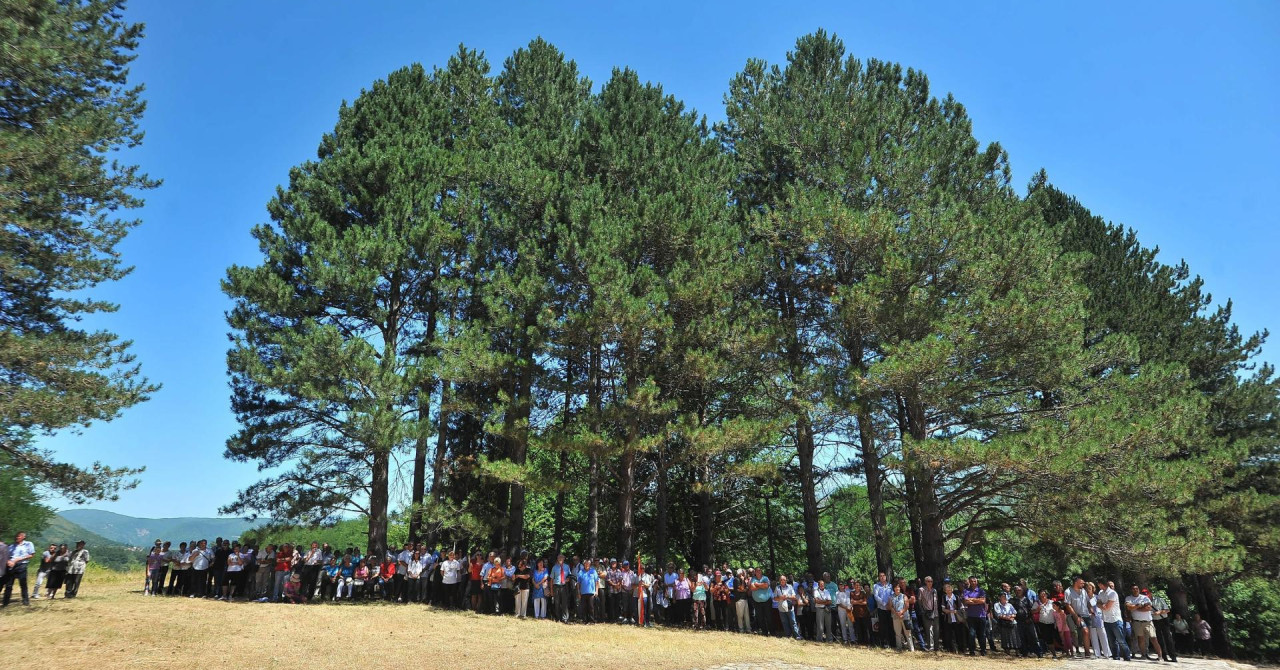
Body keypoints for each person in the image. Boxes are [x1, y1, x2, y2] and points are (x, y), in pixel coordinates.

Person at [1126, 586, 1164, 661]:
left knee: (1153, 638)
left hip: (1148, 621)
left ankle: (1160, 656)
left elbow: (1148, 608)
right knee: (1141, 639)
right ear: (1131, 590)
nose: (1135, 590)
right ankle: (1143, 655)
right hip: (1137, 622)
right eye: (1133, 589)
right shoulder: (1129, 598)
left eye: (1137, 589)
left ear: (1139, 590)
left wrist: (1135, 608)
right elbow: (1128, 607)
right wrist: (1139, 606)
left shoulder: (1145, 598)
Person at [1097, 580, 1131, 661]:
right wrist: (1102, 605)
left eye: (1099, 584)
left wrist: (1102, 605)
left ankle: (1127, 656)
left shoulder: (1112, 593)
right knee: (1112, 641)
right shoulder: (1100, 593)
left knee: (1121, 640)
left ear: (1101, 584)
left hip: (1115, 620)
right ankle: (1116, 657)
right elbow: (1098, 604)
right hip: (1106, 619)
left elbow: (1107, 607)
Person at [962, 575, 988, 656]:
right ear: (969, 582)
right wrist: (977, 600)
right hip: (971, 616)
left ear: (977, 582)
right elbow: (966, 601)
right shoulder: (966, 591)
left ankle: (983, 650)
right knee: (971, 634)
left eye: (975, 581)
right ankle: (972, 651)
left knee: (982, 634)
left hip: (981, 615)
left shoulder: (981, 591)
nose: (973, 583)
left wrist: (972, 600)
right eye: (972, 581)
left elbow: (983, 601)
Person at [1151, 589, 1178, 662]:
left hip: (1163, 620)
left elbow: (1167, 610)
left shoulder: (1159, 599)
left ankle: (1173, 656)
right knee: (1159, 639)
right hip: (1154, 621)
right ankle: (1163, 656)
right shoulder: (1145, 602)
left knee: (1168, 638)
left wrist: (1159, 612)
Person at [940, 580, 965, 653]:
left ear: (952, 590)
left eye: (950, 590)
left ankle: (961, 649)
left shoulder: (956, 597)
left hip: (957, 619)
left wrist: (956, 611)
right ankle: (951, 649)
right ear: (945, 591)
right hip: (948, 619)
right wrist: (950, 611)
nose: (949, 592)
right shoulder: (944, 598)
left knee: (959, 635)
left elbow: (962, 608)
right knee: (949, 635)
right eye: (947, 590)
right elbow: (943, 609)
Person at [774, 575, 801, 640]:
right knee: (784, 623)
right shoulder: (777, 588)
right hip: (781, 608)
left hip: (790, 608)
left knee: (793, 622)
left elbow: (794, 597)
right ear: (779, 581)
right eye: (781, 580)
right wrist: (780, 597)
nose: (782, 581)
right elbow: (774, 598)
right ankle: (788, 635)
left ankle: (797, 636)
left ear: (786, 580)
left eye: (784, 580)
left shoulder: (790, 587)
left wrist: (787, 597)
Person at [889, 581, 914, 651]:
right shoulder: (891, 597)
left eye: (898, 587)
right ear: (894, 589)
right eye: (896, 587)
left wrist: (901, 612)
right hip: (895, 617)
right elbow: (890, 606)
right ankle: (899, 647)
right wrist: (896, 613)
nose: (897, 588)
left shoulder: (904, 596)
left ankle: (911, 648)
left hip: (905, 616)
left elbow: (907, 605)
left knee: (908, 633)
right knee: (897, 633)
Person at [872, 572, 894, 649]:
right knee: (883, 626)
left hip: (890, 608)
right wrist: (884, 604)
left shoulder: (890, 586)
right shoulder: (876, 586)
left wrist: (889, 604)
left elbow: (892, 595)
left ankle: (892, 643)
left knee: (890, 625)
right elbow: (876, 596)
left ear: (886, 577)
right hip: (881, 608)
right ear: (879, 577)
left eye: (883, 575)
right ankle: (885, 643)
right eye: (880, 576)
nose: (882, 577)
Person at [917, 576, 938, 651]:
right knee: (929, 630)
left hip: (935, 613)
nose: (930, 583)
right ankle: (930, 646)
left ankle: (936, 647)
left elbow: (936, 601)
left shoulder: (934, 590)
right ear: (925, 582)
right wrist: (922, 611)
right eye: (928, 581)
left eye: (931, 581)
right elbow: (919, 601)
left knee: (936, 630)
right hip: (926, 613)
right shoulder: (921, 590)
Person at [750, 568, 773, 636]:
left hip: (767, 601)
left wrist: (757, 584)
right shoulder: (753, 579)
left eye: (759, 570)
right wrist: (761, 585)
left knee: (769, 617)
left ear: (761, 571)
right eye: (757, 571)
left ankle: (772, 632)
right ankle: (764, 632)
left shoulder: (765, 578)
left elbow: (766, 586)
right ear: (755, 572)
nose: (758, 572)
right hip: (757, 602)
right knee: (760, 618)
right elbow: (752, 588)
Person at [577, 558, 598, 623]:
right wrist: (578, 593)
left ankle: (591, 620)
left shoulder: (593, 571)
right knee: (584, 607)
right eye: (585, 564)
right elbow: (578, 583)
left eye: (588, 564)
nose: (587, 565)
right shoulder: (580, 572)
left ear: (590, 564)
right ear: (584, 564)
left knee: (591, 607)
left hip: (591, 592)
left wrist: (596, 591)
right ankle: (585, 620)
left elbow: (597, 582)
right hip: (583, 592)